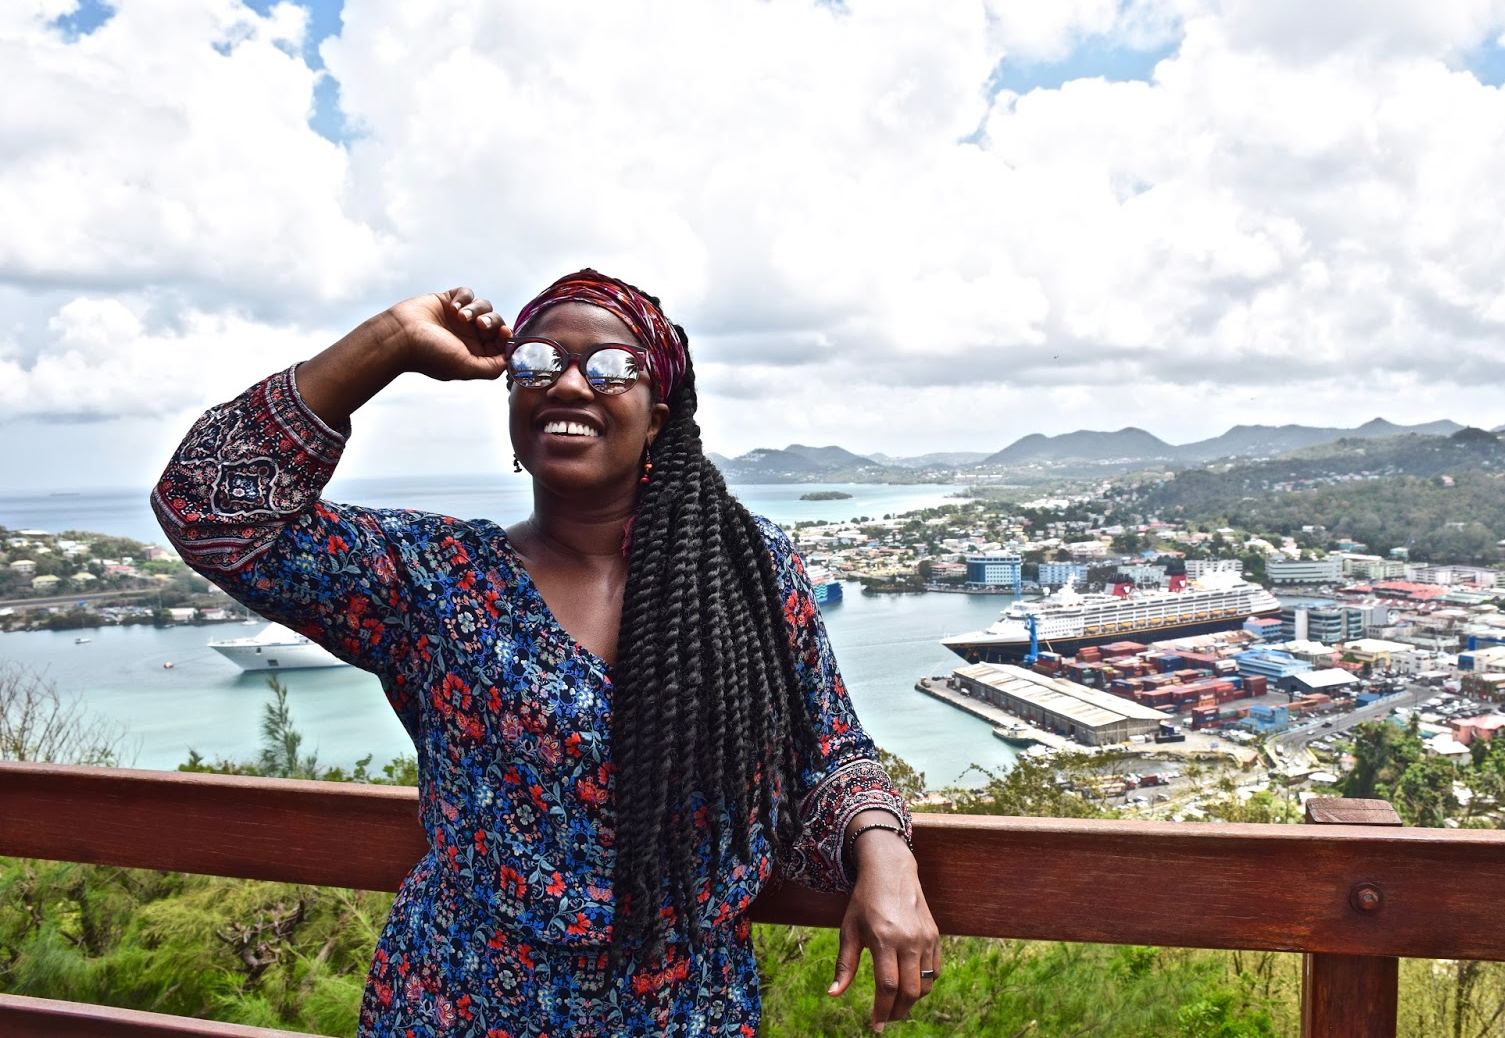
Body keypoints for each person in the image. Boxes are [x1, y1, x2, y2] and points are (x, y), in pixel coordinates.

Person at [151, 269, 939, 1036]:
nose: (567, 384)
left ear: (657, 418)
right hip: (459, 997)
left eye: (610, 367)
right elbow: (207, 508)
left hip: (684, 1006)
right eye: (536, 362)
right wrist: (391, 341)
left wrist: (885, 851)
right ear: (511, 400)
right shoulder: (437, 579)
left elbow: (830, 748)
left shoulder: (745, 570)